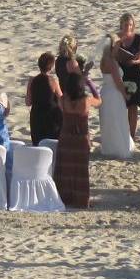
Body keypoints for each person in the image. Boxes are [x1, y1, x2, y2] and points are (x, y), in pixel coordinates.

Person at [53, 73, 102, 208]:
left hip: (66, 137)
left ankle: (64, 198)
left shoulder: (62, 100)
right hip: (81, 139)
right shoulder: (86, 100)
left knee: (65, 170)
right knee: (80, 170)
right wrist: (90, 83)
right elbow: (99, 100)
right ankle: (80, 200)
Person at [98, 29, 135, 159]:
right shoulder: (112, 62)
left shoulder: (104, 60)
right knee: (117, 121)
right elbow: (118, 82)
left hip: (105, 92)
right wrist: (126, 95)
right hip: (114, 94)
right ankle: (118, 148)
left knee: (109, 121)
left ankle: (109, 147)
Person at [114, 13, 140, 140]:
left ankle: (132, 135)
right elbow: (111, 55)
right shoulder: (116, 38)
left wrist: (135, 61)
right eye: (126, 24)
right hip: (120, 72)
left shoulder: (138, 38)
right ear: (121, 24)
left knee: (133, 105)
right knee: (121, 103)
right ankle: (121, 132)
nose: (128, 27)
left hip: (135, 72)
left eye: (130, 24)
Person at [26, 52, 63, 146]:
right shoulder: (53, 81)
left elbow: (28, 102)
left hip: (37, 117)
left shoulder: (32, 81)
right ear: (51, 67)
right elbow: (61, 100)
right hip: (51, 117)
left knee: (38, 144)